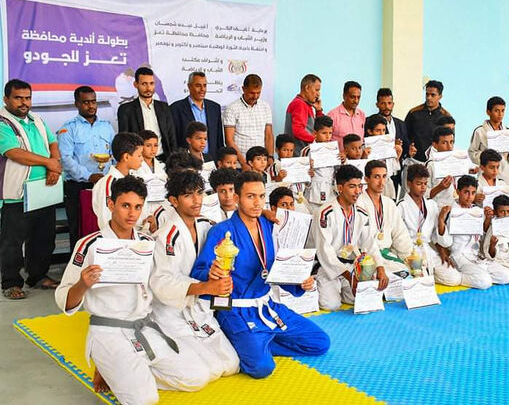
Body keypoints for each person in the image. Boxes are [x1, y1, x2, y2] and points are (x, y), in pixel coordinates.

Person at [56, 175, 211, 404]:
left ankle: (119, 372)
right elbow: (64, 298)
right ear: (111, 204)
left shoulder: (147, 242)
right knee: (144, 400)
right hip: (109, 332)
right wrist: (83, 284)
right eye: (125, 206)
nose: (132, 214)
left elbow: (161, 283)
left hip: (144, 327)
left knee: (197, 377)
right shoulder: (89, 245)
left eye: (138, 207)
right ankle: (112, 366)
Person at [191, 171, 330, 378]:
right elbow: (198, 272)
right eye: (250, 196)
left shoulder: (268, 224)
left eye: (261, 196)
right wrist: (211, 273)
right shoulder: (222, 231)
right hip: (236, 311)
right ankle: (250, 342)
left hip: (267, 306)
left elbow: (275, 267)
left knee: (319, 342)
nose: (257, 203)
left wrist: (299, 282)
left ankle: (260, 341)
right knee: (262, 368)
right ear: (237, 198)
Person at [150, 171, 240, 382]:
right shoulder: (166, 237)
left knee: (231, 365)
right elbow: (162, 284)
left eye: (199, 193)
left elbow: (233, 229)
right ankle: (141, 369)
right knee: (203, 375)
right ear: (174, 201)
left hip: (199, 310)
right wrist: (206, 287)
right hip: (171, 312)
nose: (196, 200)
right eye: (188, 195)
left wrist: (265, 214)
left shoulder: (206, 225)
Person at [0, 79, 63, 299]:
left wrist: (55, 165)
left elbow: (53, 142)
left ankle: (38, 276)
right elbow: (13, 152)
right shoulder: (2, 122)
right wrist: (49, 163)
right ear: (6, 99)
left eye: (27, 98)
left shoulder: (37, 120)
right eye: (18, 98)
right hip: (17, 193)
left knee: (44, 237)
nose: (24, 102)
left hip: (44, 189)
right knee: (13, 241)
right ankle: (11, 282)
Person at [313, 165, 388, 311]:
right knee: (331, 305)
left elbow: (369, 243)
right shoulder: (325, 213)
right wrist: (349, 277)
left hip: (352, 266)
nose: (358, 191)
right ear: (340, 188)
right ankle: (319, 283)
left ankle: (342, 289)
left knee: (366, 301)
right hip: (328, 267)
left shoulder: (361, 213)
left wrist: (380, 267)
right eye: (352, 187)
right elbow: (324, 251)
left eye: (360, 186)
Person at [58, 85, 115, 251]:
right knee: (78, 230)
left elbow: (114, 154)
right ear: (77, 104)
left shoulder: (106, 126)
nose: (91, 106)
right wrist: (89, 175)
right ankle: (77, 264)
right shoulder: (68, 128)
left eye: (93, 101)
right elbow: (65, 159)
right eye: (86, 102)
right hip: (78, 187)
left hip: (104, 186)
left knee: (105, 226)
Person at [440, 175, 509, 289]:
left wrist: (487, 219)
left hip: (476, 254)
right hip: (459, 255)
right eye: (466, 192)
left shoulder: (477, 210)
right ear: (458, 192)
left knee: (506, 276)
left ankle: (478, 273)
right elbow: (441, 238)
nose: (470, 197)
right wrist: (441, 219)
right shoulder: (449, 210)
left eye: (473, 193)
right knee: (485, 282)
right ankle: (459, 277)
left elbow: (481, 234)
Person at [397, 164, 463, 286]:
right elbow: (398, 237)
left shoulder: (431, 204)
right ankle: (425, 273)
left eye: (425, 184)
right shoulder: (401, 206)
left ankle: (429, 273)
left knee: (454, 279)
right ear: (409, 183)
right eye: (418, 184)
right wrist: (408, 256)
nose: (423, 187)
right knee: (421, 283)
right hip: (410, 251)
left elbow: (434, 235)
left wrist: (442, 252)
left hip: (428, 250)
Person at [357, 160, 413, 273]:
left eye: (384, 177)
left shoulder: (389, 203)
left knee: (412, 272)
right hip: (366, 258)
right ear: (366, 179)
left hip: (387, 255)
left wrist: (409, 256)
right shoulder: (358, 203)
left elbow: (400, 233)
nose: (381, 182)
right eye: (376, 177)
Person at [117, 67, 177, 160]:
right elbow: (124, 141)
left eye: (151, 83)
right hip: (138, 161)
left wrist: (174, 161)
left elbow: (171, 137)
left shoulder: (164, 108)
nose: (148, 88)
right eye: (144, 84)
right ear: (135, 84)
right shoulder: (126, 110)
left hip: (163, 160)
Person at [92, 133, 144, 230]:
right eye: (139, 155)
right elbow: (106, 219)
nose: (142, 159)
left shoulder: (134, 179)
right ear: (126, 157)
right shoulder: (109, 184)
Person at [223, 74, 273, 169]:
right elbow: (229, 140)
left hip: (261, 165)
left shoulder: (265, 107)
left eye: (258, 93)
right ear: (243, 89)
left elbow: (269, 135)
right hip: (240, 165)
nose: (255, 96)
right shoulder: (232, 108)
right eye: (252, 93)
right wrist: (244, 163)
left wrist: (270, 157)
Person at [468, 96, 509, 185]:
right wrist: (487, 156)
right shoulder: (479, 131)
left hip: (504, 173)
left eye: (503, 111)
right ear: (488, 112)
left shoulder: (508, 132)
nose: (500, 114)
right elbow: (472, 152)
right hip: (486, 174)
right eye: (496, 111)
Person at [170, 71, 224, 156]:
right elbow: (174, 140)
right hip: (187, 159)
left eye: (204, 85)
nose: (202, 89)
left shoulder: (214, 108)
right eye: (198, 85)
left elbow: (219, 139)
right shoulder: (176, 108)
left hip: (211, 159)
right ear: (189, 86)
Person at [404, 80, 451, 162]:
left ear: (440, 96)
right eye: (427, 94)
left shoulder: (446, 117)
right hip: (414, 160)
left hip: (437, 161)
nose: (429, 98)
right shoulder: (414, 113)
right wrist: (409, 147)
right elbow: (404, 135)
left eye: (433, 95)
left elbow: (450, 142)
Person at [301, 116, 340, 213]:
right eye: (324, 133)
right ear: (315, 133)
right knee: (315, 218)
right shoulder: (307, 151)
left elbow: (337, 171)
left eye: (330, 133)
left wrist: (342, 161)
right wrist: (308, 170)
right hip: (313, 194)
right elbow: (301, 173)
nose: (328, 137)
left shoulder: (334, 150)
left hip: (331, 192)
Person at [285, 74, 324, 154]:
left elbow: (319, 127)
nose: (318, 94)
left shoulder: (305, 104)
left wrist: (318, 111)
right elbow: (298, 130)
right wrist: (316, 140)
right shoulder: (299, 104)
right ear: (307, 88)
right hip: (299, 155)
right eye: (316, 90)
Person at [425, 126, 461, 208]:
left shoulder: (458, 162)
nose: (449, 146)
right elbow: (424, 194)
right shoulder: (431, 165)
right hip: (438, 208)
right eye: (444, 143)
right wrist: (440, 187)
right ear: (435, 145)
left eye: (451, 142)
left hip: (455, 207)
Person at [327, 81, 366, 151]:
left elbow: (362, 140)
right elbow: (325, 141)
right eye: (352, 97)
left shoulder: (361, 115)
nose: (356, 101)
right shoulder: (332, 115)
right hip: (338, 157)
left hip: (359, 157)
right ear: (344, 96)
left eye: (358, 97)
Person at [375, 88, 409, 160]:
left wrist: (410, 150)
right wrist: (392, 144)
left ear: (393, 104)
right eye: (383, 103)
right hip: (378, 163)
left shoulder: (401, 124)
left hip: (397, 163)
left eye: (389, 103)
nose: (387, 107)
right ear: (377, 105)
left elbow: (405, 147)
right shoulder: (370, 122)